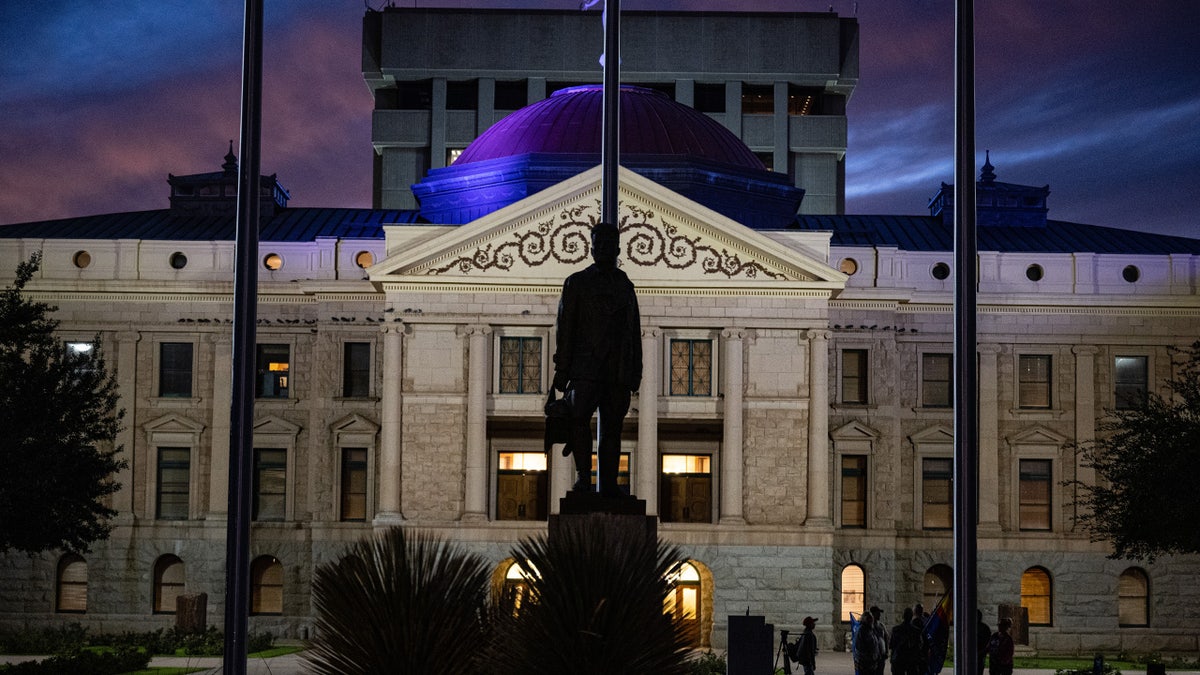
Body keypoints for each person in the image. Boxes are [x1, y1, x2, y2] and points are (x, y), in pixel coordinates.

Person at [551, 221, 642, 497]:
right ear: (591, 249)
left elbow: (633, 330)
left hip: (616, 370)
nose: (603, 249)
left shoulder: (625, 286)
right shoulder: (576, 283)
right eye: (598, 245)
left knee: (612, 429)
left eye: (608, 245)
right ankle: (583, 479)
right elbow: (565, 328)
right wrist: (562, 368)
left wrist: (635, 372)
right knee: (579, 420)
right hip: (585, 368)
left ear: (617, 249)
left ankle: (610, 484)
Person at [890, 607, 923, 675]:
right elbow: (919, 646)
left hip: (899, 660)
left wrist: (892, 659)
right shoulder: (916, 631)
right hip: (911, 661)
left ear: (903, 616)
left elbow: (892, 645)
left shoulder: (896, 630)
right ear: (911, 617)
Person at [870, 606, 890, 675]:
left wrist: (887, 651)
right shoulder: (868, 626)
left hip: (881, 656)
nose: (879, 615)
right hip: (872, 657)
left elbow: (886, 638)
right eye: (877, 613)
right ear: (872, 614)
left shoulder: (881, 626)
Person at [976, 610, 992, 675]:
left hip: (981, 653)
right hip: (972, 652)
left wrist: (984, 650)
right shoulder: (969, 626)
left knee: (979, 669)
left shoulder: (984, 628)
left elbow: (988, 640)